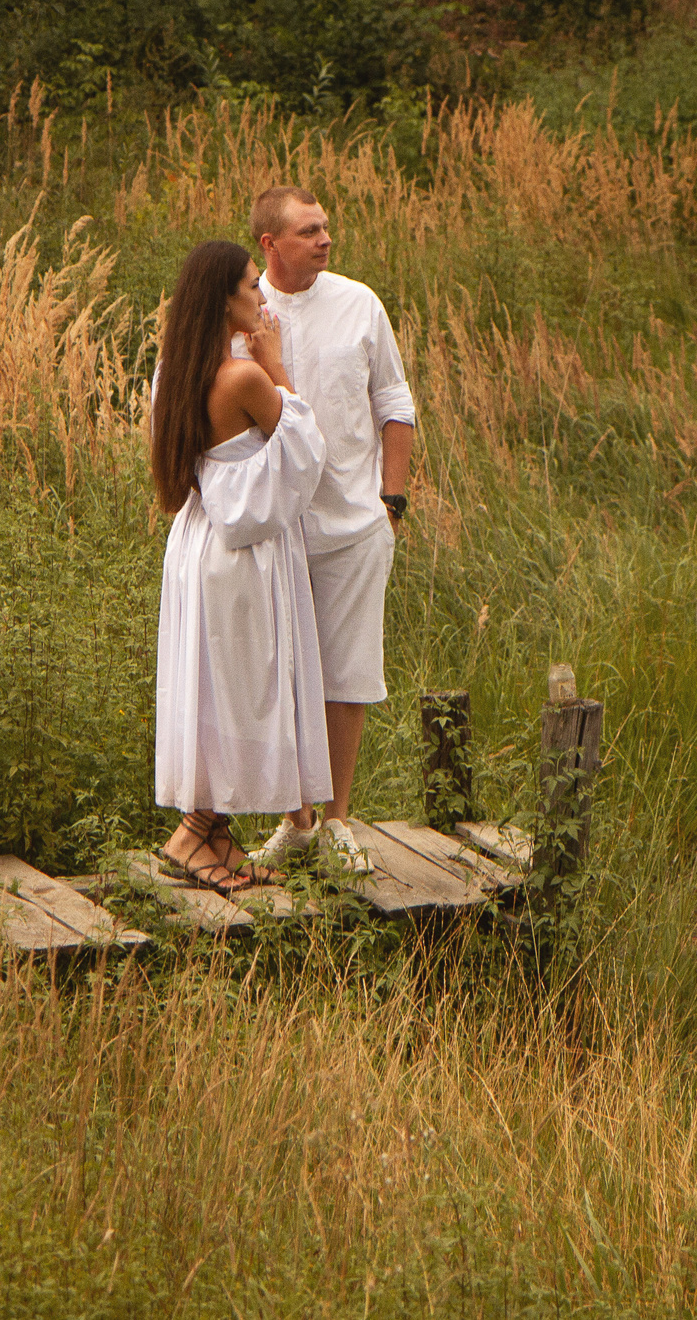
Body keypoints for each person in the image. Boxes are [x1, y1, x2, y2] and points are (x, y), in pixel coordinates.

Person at [151, 239, 334, 894]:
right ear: (223, 298)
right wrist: (278, 363)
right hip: (242, 555)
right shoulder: (245, 378)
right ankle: (192, 831)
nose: (262, 298)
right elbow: (306, 447)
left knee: (210, 682)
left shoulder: (174, 368)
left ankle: (218, 841)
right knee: (242, 687)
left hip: (196, 541)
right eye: (253, 287)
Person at [243, 186, 415, 875]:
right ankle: (296, 820)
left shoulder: (358, 302)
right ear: (269, 243)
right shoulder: (244, 309)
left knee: (347, 672)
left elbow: (393, 402)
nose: (325, 239)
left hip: (355, 522)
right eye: (309, 231)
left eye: (326, 228)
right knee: (283, 671)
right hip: (276, 526)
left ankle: (338, 818)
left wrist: (391, 503)